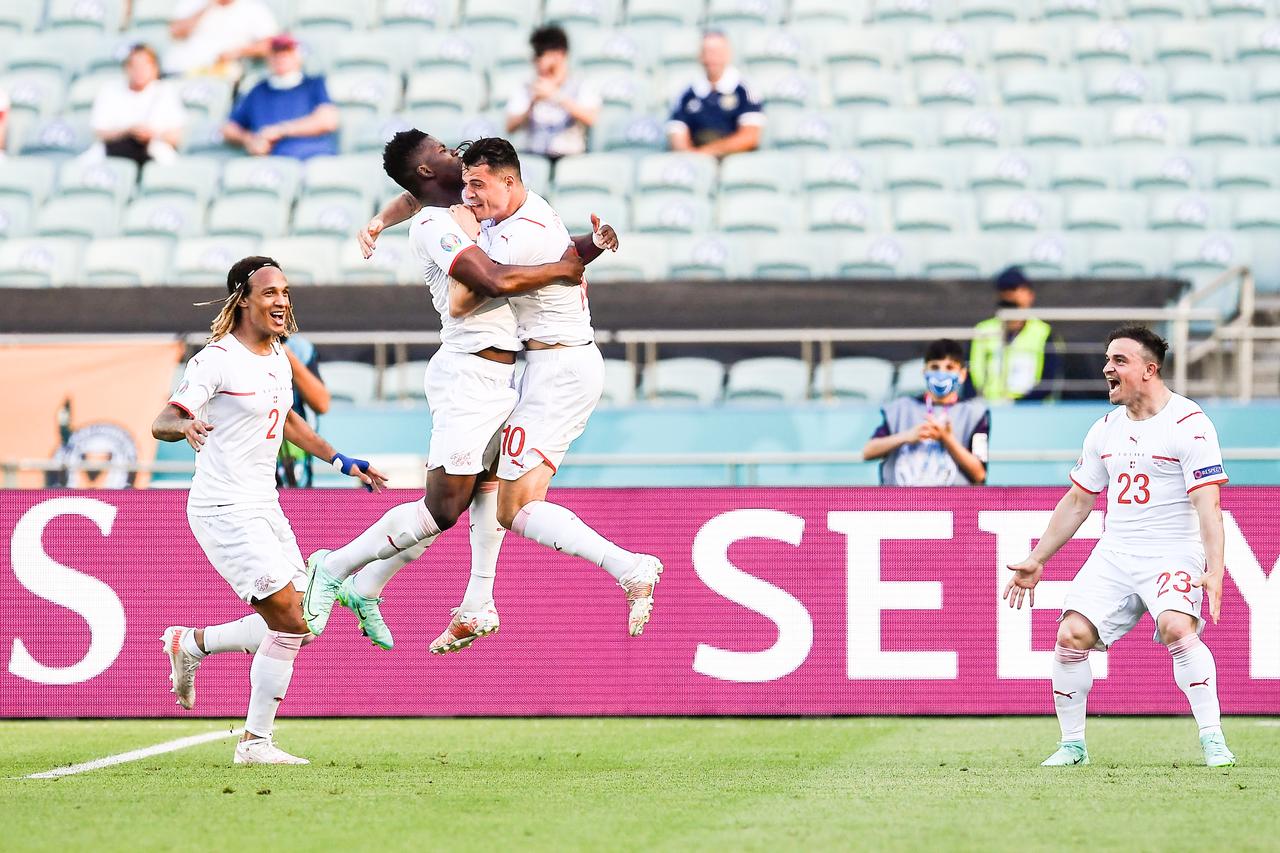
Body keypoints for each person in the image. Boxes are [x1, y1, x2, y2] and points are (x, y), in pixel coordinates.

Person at [302, 129, 605, 652]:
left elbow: (405, 196)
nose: (453, 156)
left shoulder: (456, 201)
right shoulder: (434, 223)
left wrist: (376, 220)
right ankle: (334, 567)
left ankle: (403, 592)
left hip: (504, 376)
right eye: (443, 153)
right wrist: (564, 267)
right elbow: (484, 284)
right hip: (467, 376)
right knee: (442, 508)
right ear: (427, 171)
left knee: (483, 491)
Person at [152, 256, 388, 765]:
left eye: (285, 292)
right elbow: (164, 419)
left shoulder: (279, 355)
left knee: (303, 623)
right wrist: (185, 426)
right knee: (291, 619)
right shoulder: (215, 359)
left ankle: (192, 644)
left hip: (265, 503)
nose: (282, 301)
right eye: (270, 293)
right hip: (222, 507)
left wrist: (341, 460)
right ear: (242, 300)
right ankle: (255, 743)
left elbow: (290, 423)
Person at [1004, 325, 1235, 768]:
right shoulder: (1105, 428)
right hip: (1116, 551)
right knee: (1071, 635)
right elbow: (1078, 500)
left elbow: (1209, 503)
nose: (1107, 368)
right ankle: (1073, 745)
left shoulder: (1189, 423)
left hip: (1173, 550)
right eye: (1108, 360)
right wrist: (1037, 559)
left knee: (1176, 627)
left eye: (1119, 361)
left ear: (1149, 370)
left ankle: (1213, 738)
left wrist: (1216, 567)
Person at [862, 338, 989, 486]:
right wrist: (906, 437)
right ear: (924, 371)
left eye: (949, 367)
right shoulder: (900, 409)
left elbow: (980, 474)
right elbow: (868, 451)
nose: (941, 373)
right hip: (901, 504)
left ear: (962, 374)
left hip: (950, 505)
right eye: (935, 367)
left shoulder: (975, 414)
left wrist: (947, 439)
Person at [222, 34, 338, 160]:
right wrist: (250, 140)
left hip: (312, 159)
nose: (280, 58)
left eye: (286, 52)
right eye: (275, 53)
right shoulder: (258, 91)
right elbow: (229, 128)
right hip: (272, 165)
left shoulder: (313, 84)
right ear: (268, 58)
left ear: (297, 57)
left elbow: (328, 121)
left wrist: (280, 130)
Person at [504, 24, 600, 161]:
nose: (536, 61)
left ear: (559, 54)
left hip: (569, 156)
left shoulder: (581, 84)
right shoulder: (527, 86)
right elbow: (510, 126)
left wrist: (556, 96)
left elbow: (591, 118)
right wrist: (532, 103)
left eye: (540, 54)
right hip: (534, 154)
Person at [969, 266, 1063, 403]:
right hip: (990, 408)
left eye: (1015, 289)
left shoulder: (1044, 332)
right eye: (1004, 290)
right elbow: (972, 376)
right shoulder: (983, 331)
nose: (1009, 295)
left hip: (1033, 411)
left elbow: (1048, 382)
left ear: (1030, 295)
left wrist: (1017, 405)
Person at [666, 31, 764, 157]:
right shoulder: (687, 93)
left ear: (728, 54)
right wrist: (692, 158)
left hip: (734, 161)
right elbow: (677, 134)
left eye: (717, 52)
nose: (711, 57)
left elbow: (750, 137)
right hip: (696, 162)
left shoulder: (744, 90)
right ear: (700, 56)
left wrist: (707, 153)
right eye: (707, 52)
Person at [85, 44, 184, 167]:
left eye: (145, 65)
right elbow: (99, 131)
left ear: (155, 68)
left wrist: (152, 134)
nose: (139, 70)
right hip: (114, 149)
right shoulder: (110, 90)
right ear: (126, 68)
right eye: (134, 66)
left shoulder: (165, 92)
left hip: (154, 151)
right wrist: (128, 131)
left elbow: (176, 137)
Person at [165, 0, 279, 79]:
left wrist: (239, 51)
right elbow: (176, 32)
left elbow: (272, 43)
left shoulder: (253, 7)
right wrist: (207, 6)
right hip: (182, 72)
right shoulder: (192, 2)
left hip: (224, 77)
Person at [276, 335, 330, 488]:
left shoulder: (299, 349)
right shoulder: (227, 350)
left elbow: (322, 404)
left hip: (293, 460)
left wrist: (287, 356)